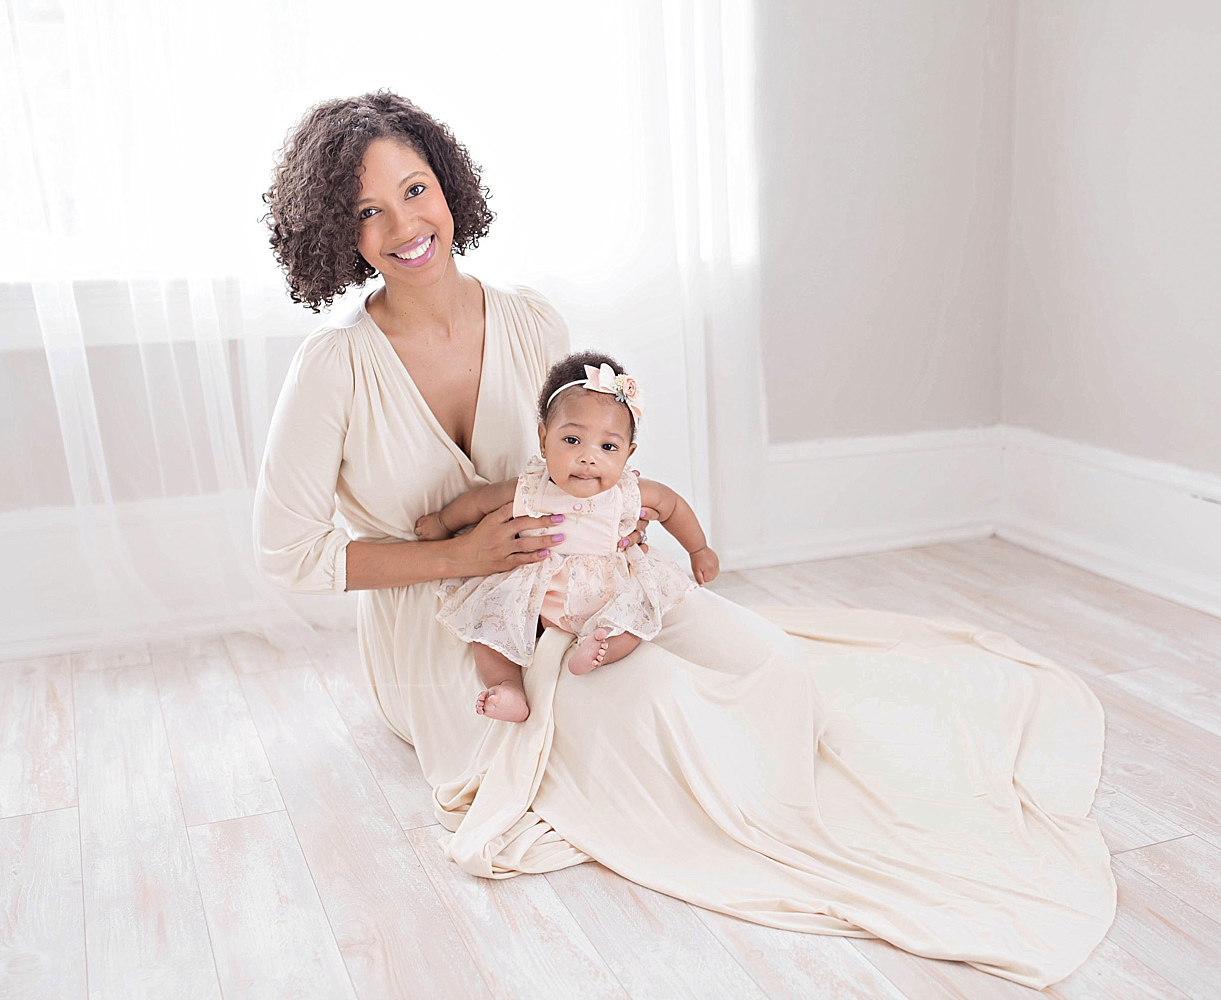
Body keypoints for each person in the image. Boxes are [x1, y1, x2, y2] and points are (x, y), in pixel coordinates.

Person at [255, 91, 1115, 990]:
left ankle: (789, 798)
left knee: (771, 660)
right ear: (336, 233)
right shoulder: (334, 366)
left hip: (582, 582)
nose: (403, 224)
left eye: (416, 188)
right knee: (653, 701)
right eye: (366, 210)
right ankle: (753, 823)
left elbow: (590, 460)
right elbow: (287, 555)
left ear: (449, 188)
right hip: (456, 632)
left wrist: (639, 537)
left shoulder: (531, 322)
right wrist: (457, 558)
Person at [416, 350, 718, 722]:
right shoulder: (532, 487)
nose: (588, 458)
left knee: (635, 622)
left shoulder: (627, 493)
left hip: (602, 593)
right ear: (543, 439)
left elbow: (673, 506)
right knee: (488, 633)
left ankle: (595, 651)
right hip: (536, 593)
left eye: (607, 447)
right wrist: (444, 522)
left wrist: (698, 548)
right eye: (572, 440)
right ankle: (508, 688)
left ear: (628, 454)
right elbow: (479, 503)